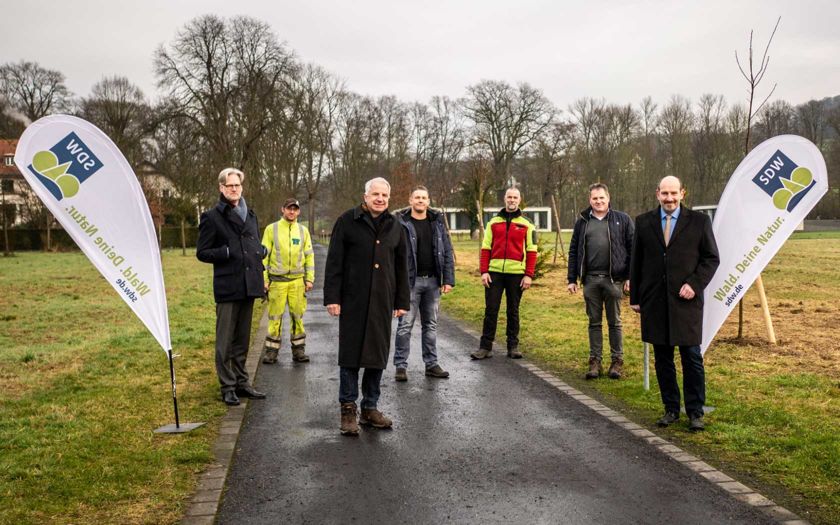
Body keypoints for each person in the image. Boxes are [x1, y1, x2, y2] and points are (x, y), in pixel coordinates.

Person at [630, 176, 720, 431]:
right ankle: (670, 409)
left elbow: (711, 258)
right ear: (657, 193)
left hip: (686, 302)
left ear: (683, 193)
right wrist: (636, 297)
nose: (669, 198)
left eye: (674, 193)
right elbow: (637, 261)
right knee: (663, 358)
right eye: (664, 193)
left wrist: (694, 283)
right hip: (655, 302)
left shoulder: (700, 222)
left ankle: (695, 412)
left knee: (691, 357)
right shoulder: (644, 222)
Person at [324, 177, 410, 436]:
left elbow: (401, 266)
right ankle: (348, 409)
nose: (380, 199)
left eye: (384, 195)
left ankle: (370, 408)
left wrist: (402, 301)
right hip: (353, 299)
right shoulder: (347, 221)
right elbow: (334, 262)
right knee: (350, 355)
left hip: (383, 300)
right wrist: (332, 298)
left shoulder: (396, 226)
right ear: (365, 196)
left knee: (376, 355)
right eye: (375, 194)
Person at [196, 168, 268, 407]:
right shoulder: (211, 216)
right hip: (228, 286)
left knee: (242, 339)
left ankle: (241, 382)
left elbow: (252, 242)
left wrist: (260, 252)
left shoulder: (251, 215)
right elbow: (202, 253)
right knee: (225, 341)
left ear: (242, 187)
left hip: (250, 285)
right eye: (229, 186)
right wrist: (225, 252)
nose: (234, 189)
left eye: (237, 185)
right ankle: (227, 386)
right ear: (221, 188)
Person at [567, 183, 634, 380]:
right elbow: (574, 251)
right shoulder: (582, 222)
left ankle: (617, 361)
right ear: (590, 200)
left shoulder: (622, 219)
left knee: (615, 322)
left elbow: (633, 249)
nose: (598, 201)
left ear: (608, 198)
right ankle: (595, 361)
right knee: (594, 323)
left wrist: (630, 277)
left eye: (601, 198)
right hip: (590, 280)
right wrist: (572, 279)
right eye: (595, 198)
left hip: (614, 281)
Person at [393, 186, 455, 381]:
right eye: (417, 197)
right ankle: (400, 366)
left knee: (431, 325)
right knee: (405, 326)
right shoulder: (401, 223)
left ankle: (431, 364)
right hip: (410, 283)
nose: (420, 201)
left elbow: (447, 251)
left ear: (429, 201)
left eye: (424, 198)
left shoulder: (436, 222)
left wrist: (448, 279)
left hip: (433, 282)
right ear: (410, 200)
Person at [471, 187, 537, 360]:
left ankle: (512, 346)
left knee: (513, 311)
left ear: (519, 199)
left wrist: (529, 274)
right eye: (509, 197)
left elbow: (532, 251)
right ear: (504, 199)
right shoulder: (493, 223)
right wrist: (484, 271)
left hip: (517, 274)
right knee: (491, 310)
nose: (512, 200)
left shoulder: (527, 224)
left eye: (515, 197)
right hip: (494, 274)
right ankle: (485, 347)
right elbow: (485, 248)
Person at [261, 198, 315, 364]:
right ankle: (271, 352)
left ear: (298, 212)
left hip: (297, 282)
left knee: (297, 317)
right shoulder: (272, 229)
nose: (292, 212)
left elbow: (309, 256)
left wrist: (309, 279)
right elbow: (263, 256)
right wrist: (264, 280)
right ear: (282, 210)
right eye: (289, 208)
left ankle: (298, 351)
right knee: (275, 317)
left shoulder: (303, 231)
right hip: (277, 281)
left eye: (295, 209)